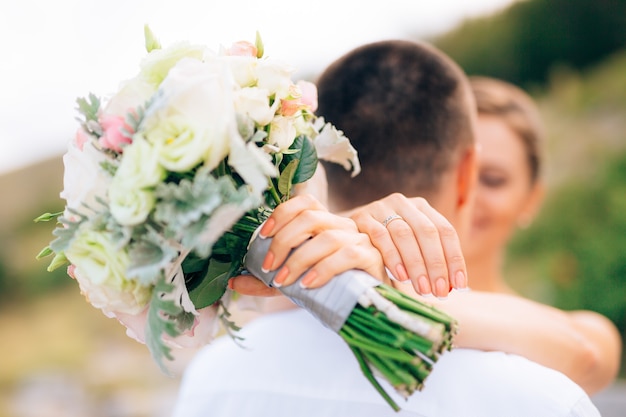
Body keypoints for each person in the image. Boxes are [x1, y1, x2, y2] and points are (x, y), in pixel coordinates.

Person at [171, 40, 601, 416]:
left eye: (499, 179)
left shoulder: (213, 376)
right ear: (465, 172)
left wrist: (368, 282)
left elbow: (591, 349)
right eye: (484, 177)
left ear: (316, 161)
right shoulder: (540, 396)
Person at [462, 76, 622, 394]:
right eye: (450, 171)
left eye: (492, 180)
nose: (465, 193)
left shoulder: (579, 334)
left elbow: (589, 353)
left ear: (531, 200)